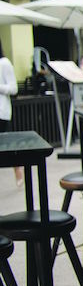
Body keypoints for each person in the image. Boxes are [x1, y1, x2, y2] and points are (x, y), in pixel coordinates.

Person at [0, 42, 24, 187]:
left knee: (7, 145)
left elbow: (14, 88)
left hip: (1, 111)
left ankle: (18, 170)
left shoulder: (4, 63)